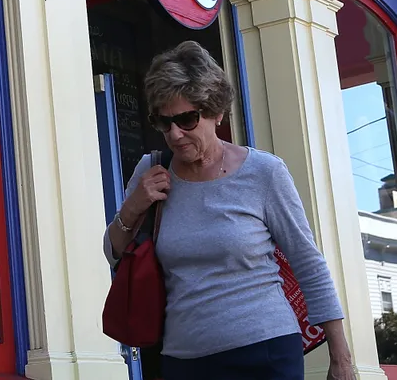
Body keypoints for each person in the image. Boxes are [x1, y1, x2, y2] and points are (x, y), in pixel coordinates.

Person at [104, 42, 353, 380]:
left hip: (265, 350)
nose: (175, 134)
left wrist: (341, 358)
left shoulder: (265, 172)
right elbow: (114, 252)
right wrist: (134, 207)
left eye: (187, 119)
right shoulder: (151, 169)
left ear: (216, 112)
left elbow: (307, 260)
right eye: (164, 123)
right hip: (184, 358)